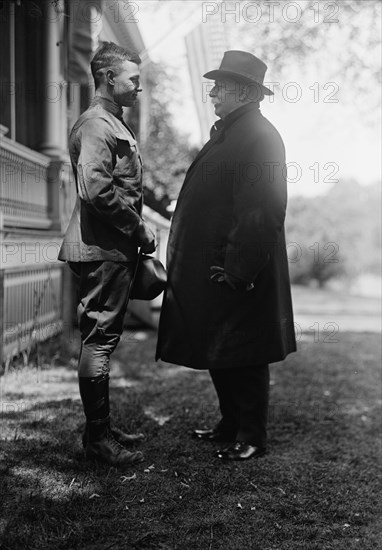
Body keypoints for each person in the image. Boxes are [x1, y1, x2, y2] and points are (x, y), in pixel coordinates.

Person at [156, 50, 297, 461]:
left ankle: (252, 435)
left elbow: (263, 208)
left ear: (245, 92)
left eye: (220, 86)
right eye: (213, 85)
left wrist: (239, 269)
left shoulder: (260, 135)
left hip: (239, 267)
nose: (213, 92)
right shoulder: (231, 131)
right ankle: (230, 423)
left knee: (246, 352)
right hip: (215, 265)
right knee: (219, 346)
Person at [58, 42, 156, 467]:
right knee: (99, 342)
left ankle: (100, 429)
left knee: (104, 340)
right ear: (108, 79)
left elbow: (118, 186)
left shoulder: (111, 121)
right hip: (102, 248)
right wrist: (138, 228)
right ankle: (98, 440)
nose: (138, 87)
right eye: (132, 80)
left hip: (110, 247)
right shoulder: (97, 125)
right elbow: (96, 190)